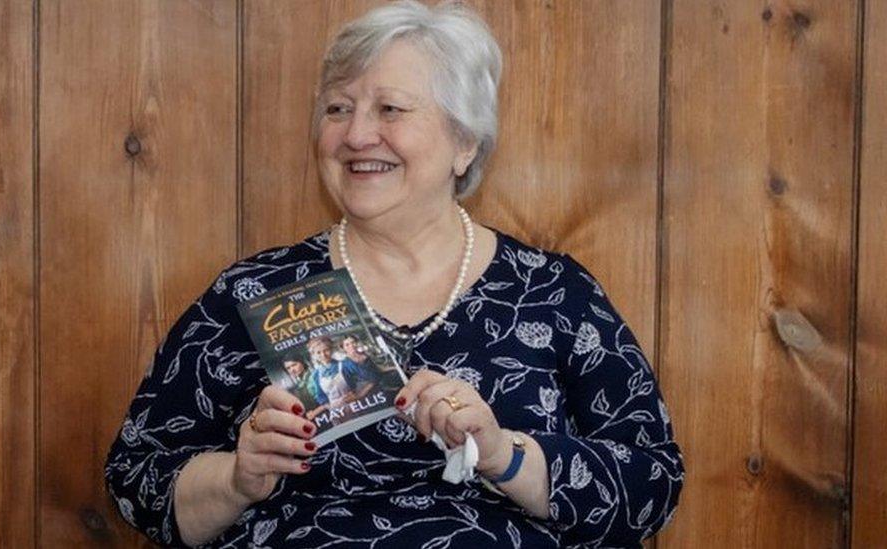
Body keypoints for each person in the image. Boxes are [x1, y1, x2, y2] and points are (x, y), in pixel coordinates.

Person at [104, 1, 684, 547]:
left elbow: (652, 483)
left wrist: (504, 455)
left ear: (465, 142)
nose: (356, 136)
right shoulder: (256, 291)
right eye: (338, 108)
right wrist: (238, 477)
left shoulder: (553, 294)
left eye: (391, 109)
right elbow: (137, 476)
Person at [303, 336, 376, 421]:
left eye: (326, 350)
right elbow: (322, 398)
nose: (323, 355)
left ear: (331, 350)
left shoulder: (346, 364)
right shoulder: (316, 375)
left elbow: (372, 379)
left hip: (356, 407)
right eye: (318, 353)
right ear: (313, 355)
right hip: (336, 414)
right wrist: (330, 406)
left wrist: (359, 395)